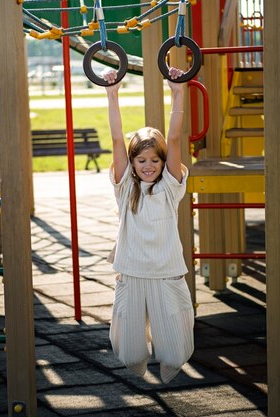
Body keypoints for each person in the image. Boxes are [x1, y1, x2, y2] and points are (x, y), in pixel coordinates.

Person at [102, 67, 194, 384]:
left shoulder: (170, 187)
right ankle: (138, 362)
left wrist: (178, 92)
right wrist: (111, 94)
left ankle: (169, 362)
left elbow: (173, 137)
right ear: (132, 163)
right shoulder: (126, 187)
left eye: (155, 160)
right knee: (128, 352)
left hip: (166, 270)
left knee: (173, 352)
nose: (149, 166)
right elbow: (116, 138)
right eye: (141, 160)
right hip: (132, 270)